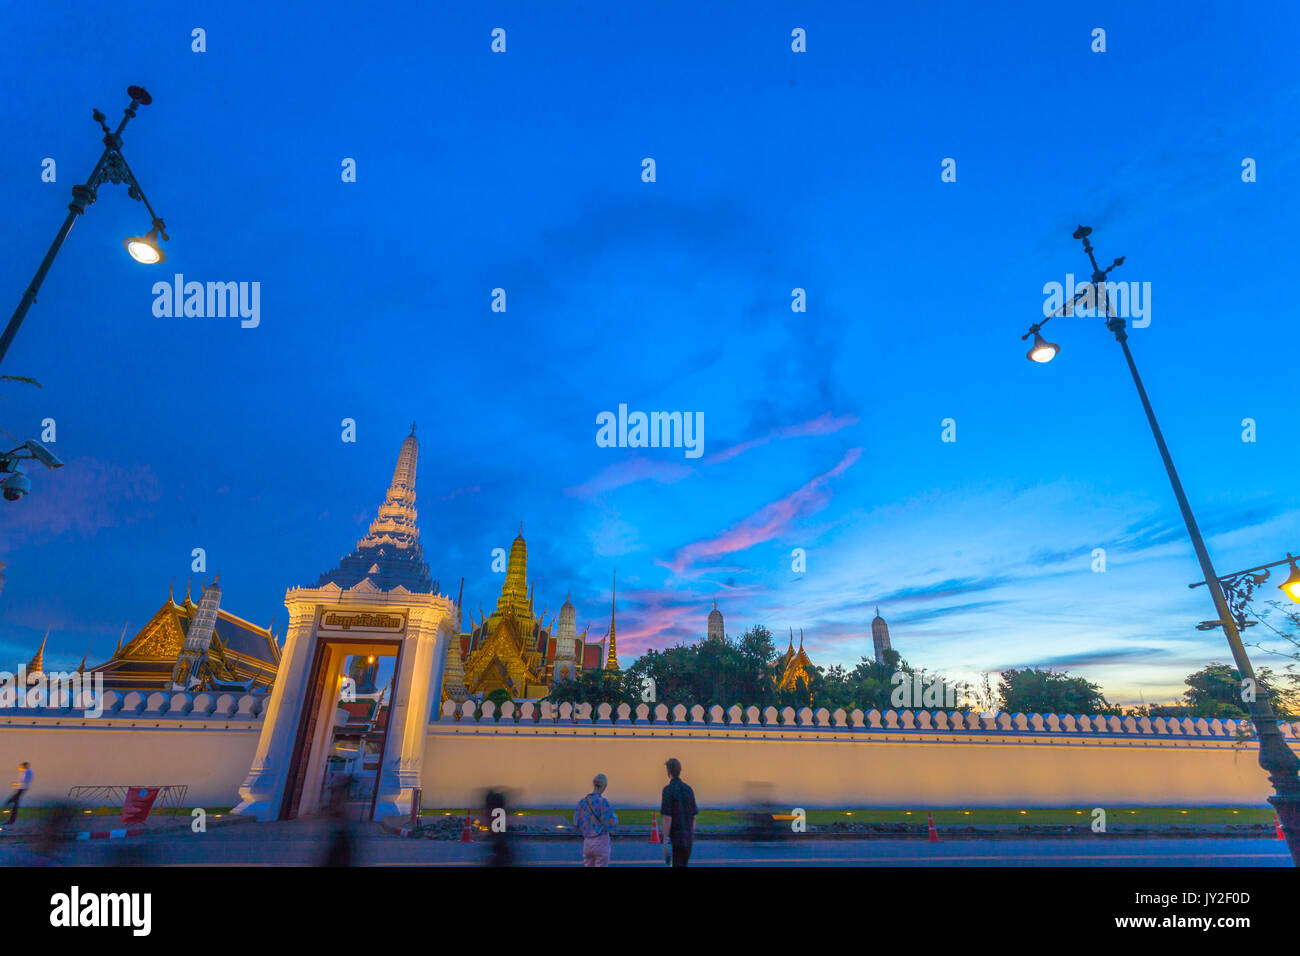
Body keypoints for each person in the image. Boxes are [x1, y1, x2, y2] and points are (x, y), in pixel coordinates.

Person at [574, 772, 619, 866]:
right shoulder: (603, 802)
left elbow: (576, 822)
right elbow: (611, 823)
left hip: (587, 842)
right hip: (601, 840)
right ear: (604, 786)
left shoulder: (583, 801)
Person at [659, 757, 696, 867]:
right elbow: (693, 817)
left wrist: (665, 839)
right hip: (687, 839)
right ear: (680, 770)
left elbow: (667, 818)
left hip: (674, 839)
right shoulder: (689, 789)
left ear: (668, 772)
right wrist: (690, 834)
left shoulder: (668, 790)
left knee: (672, 864)